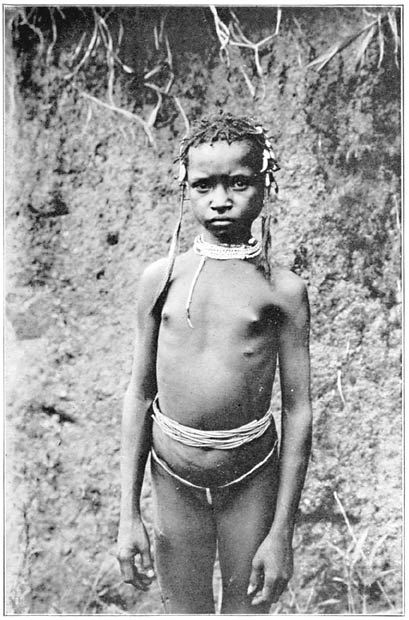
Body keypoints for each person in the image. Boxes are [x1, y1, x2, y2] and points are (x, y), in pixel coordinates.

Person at [117, 113, 312, 614]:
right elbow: (140, 394)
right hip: (173, 476)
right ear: (185, 188)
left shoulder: (283, 291)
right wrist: (128, 516)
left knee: (246, 611)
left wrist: (282, 532)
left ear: (266, 184)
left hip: (251, 475)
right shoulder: (160, 280)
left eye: (239, 183)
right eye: (204, 185)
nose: (221, 199)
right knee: (185, 610)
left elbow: (299, 411)